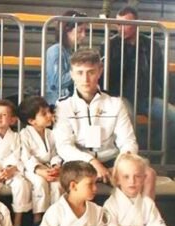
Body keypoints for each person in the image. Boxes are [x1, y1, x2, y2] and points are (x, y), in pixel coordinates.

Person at [54, 48, 157, 199]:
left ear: (100, 71)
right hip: (79, 164)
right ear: (72, 74)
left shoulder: (115, 103)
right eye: (80, 73)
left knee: (148, 174)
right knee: (58, 182)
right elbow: (64, 146)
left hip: (111, 161)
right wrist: (93, 163)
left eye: (91, 72)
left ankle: (144, 214)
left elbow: (128, 141)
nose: (85, 79)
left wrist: (121, 165)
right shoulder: (63, 105)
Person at [103, 6, 175, 152]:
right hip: (121, 96)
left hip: (146, 97)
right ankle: (130, 156)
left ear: (136, 24)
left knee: (172, 116)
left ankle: (155, 150)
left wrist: (166, 97)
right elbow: (107, 76)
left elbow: (161, 74)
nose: (120, 28)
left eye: (126, 24)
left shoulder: (151, 45)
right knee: (126, 117)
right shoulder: (110, 45)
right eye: (118, 24)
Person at [18, 96, 62, 224]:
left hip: (48, 166)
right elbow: (26, 157)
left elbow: (55, 153)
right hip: (31, 169)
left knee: (57, 184)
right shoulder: (24, 134)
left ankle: (56, 217)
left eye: (49, 111)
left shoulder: (51, 133)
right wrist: (39, 170)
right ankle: (38, 218)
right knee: (40, 183)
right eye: (44, 114)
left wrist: (55, 166)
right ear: (32, 121)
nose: (49, 115)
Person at [44, 10, 87, 106]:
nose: (84, 35)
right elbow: (57, 82)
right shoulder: (55, 50)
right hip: (56, 104)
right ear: (66, 30)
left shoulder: (72, 51)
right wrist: (81, 70)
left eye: (85, 31)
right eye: (79, 31)